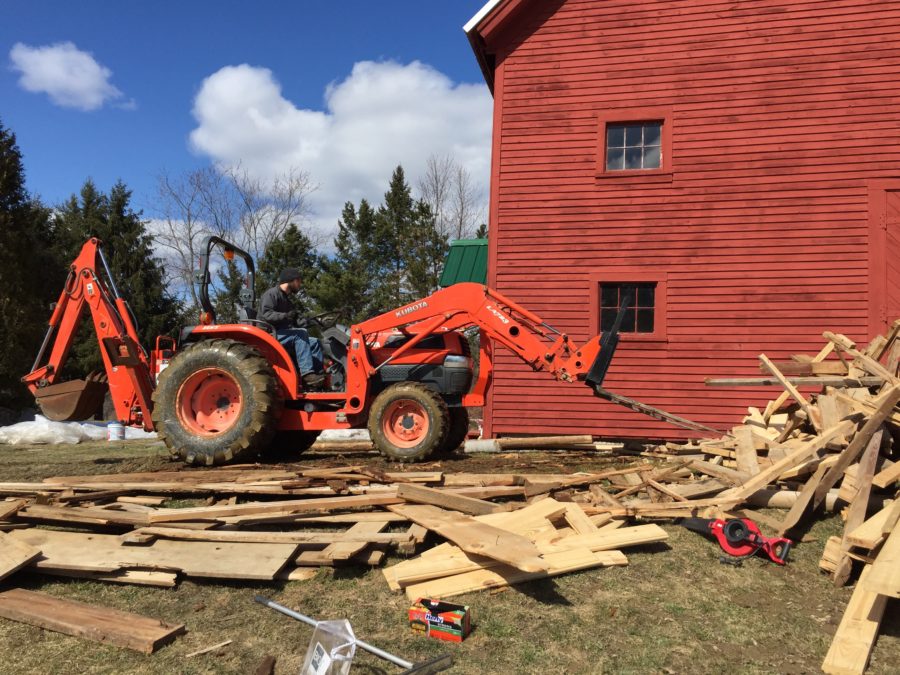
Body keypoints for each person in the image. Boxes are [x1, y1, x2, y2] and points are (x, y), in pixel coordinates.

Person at [259, 268, 325, 388]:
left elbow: (296, 320)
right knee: (300, 334)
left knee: (315, 342)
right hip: (269, 334)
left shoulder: (287, 300)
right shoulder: (271, 294)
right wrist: (285, 316)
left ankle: (318, 377)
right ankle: (307, 374)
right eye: (298, 281)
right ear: (291, 280)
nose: (299, 285)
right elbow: (266, 314)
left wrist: (311, 321)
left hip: (281, 334)